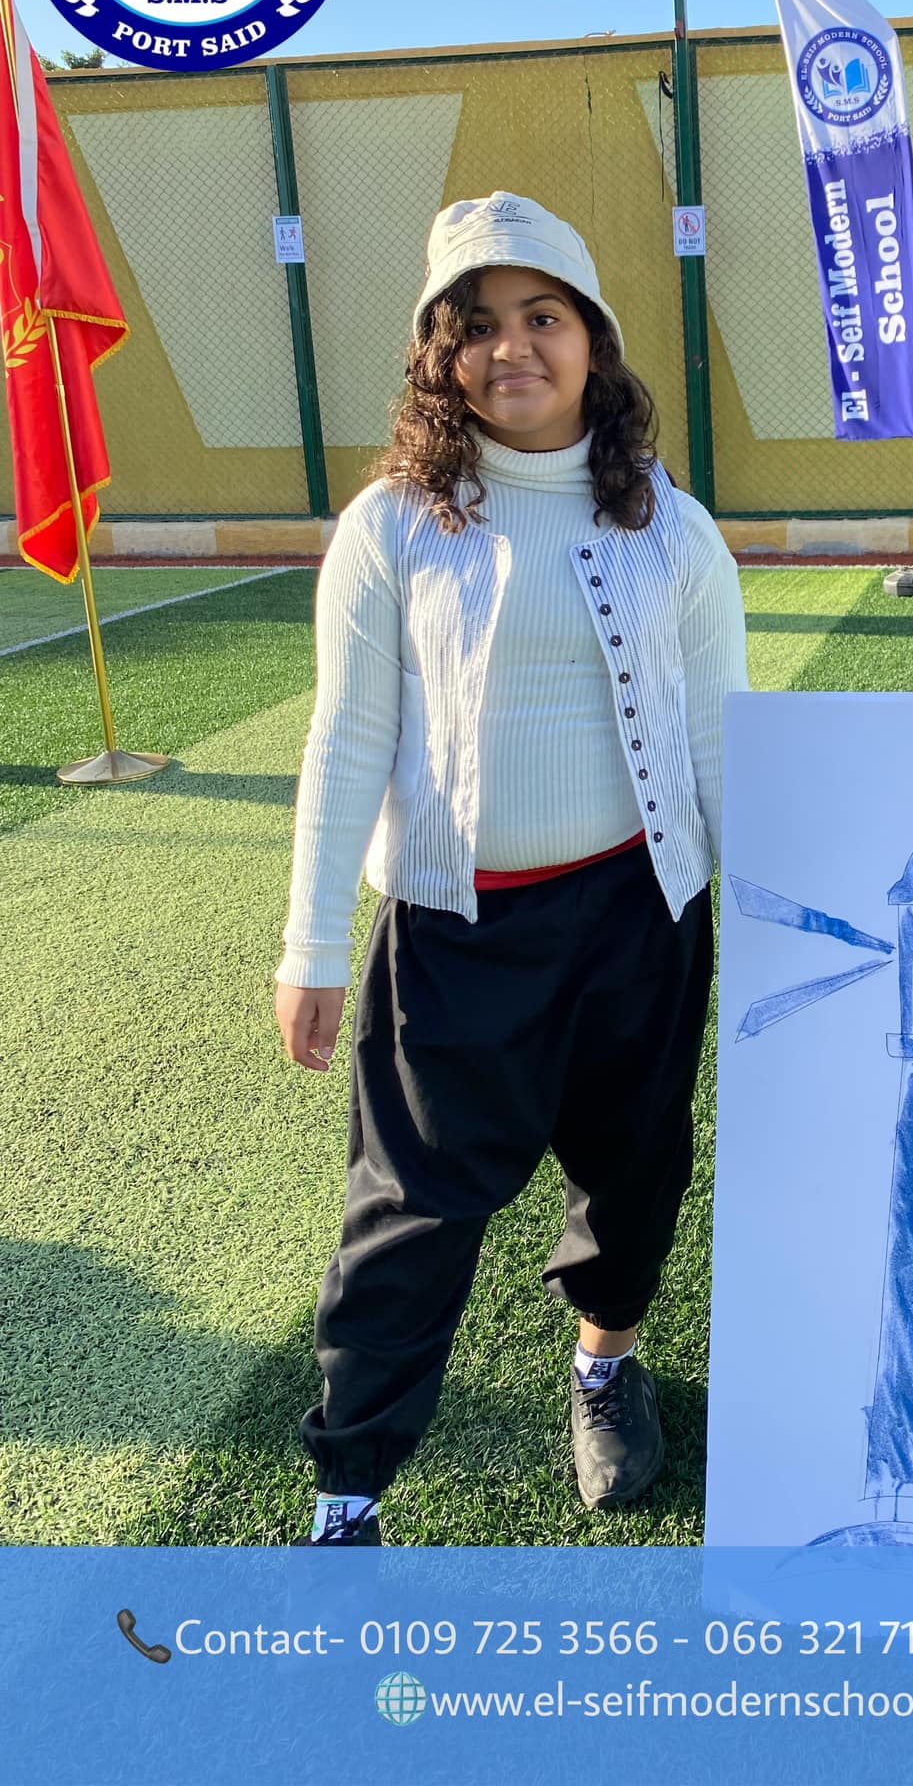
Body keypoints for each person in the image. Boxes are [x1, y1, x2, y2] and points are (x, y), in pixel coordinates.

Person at [273, 192, 749, 1546]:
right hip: (453, 932)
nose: (512, 349)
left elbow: (720, 735)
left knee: (636, 1175)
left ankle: (605, 1365)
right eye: (476, 325)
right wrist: (311, 946)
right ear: (443, 356)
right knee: (408, 1217)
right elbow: (346, 739)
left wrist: (772, 911)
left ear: (593, 340)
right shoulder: (391, 527)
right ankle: (349, 1491)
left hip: (641, 917)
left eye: (543, 316)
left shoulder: (673, 528)